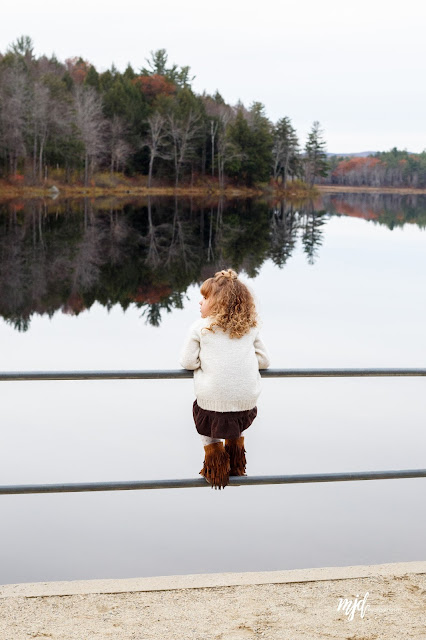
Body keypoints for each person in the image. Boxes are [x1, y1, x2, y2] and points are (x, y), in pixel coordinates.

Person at [179, 268, 270, 490]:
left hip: (213, 404)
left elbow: (188, 362)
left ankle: (215, 459)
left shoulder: (200, 327)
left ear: (218, 303)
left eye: (205, 298)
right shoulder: (249, 327)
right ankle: (237, 457)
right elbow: (264, 361)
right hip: (245, 405)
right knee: (233, 412)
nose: (200, 303)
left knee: (201, 413)